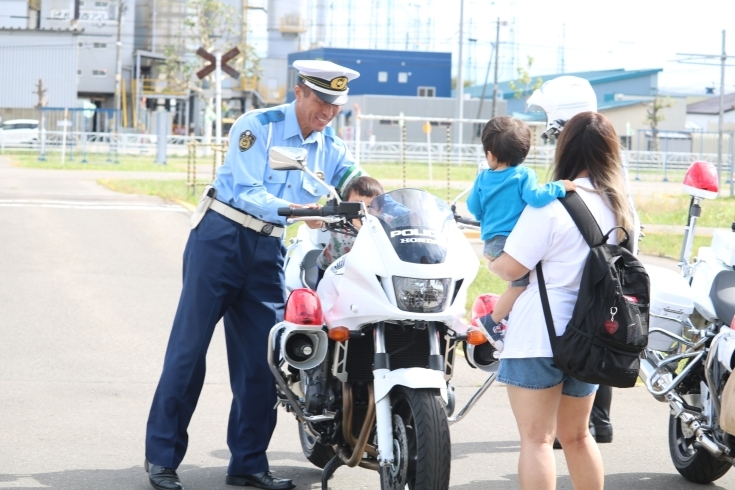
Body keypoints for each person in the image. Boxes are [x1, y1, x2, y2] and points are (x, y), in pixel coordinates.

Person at [144, 60, 366, 490]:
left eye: (336, 105)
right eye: (321, 101)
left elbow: (357, 181)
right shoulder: (257, 126)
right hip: (221, 239)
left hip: (268, 250)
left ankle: (247, 463)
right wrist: (305, 212)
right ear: (300, 91)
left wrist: (380, 207)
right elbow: (247, 191)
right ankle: (162, 459)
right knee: (188, 352)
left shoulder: (329, 145)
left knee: (263, 362)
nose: (328, 113)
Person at [488, 111, 633, 490]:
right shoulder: (619, 208)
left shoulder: (552, 206)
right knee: (579, 436)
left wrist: (491, 257)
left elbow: (509, 268)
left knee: (536, 440)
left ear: (565, 148)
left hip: (540, 333)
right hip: (591, 335)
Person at [526, 76, 642, 446]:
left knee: (538, 440)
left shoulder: (572, 183)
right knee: (599, 335)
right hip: (612, 279)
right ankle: (599, 422)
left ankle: (574, 427)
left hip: (570, 288)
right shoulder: (614, 172)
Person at [466, 116, 575, 351]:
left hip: (492, 244)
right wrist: (559, 186)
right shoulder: (524, 175)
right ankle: (492, 322)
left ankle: (503, 318)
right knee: (520, 285)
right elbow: (536, 198)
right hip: (512, 243)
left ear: (491, 155)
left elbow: (474, 208)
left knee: (518, 285)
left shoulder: (482, 177)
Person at [316, 176, 384, 277]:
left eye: (369, 206)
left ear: (380, 210)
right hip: (331, 272)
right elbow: (320, 221)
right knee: (320, 291)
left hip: (371, 274)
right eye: (356, 205)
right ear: (345, 204)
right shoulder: (338, 219)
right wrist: (316, 213)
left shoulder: (383, 224)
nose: (362, 211)